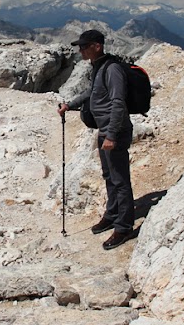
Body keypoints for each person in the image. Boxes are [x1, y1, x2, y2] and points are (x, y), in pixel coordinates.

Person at [57, 30, 136, 250]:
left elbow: (118, 102)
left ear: (97, 46)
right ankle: (111, 215)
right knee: (109, 176)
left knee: (120, 180)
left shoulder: (112, 69)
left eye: (84, 46)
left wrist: (111, 135)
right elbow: (92, 93)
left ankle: (124, 226)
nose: (80, 50)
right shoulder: (98, 67)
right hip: (105, 129)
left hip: (115, 131)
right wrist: (70, 105)